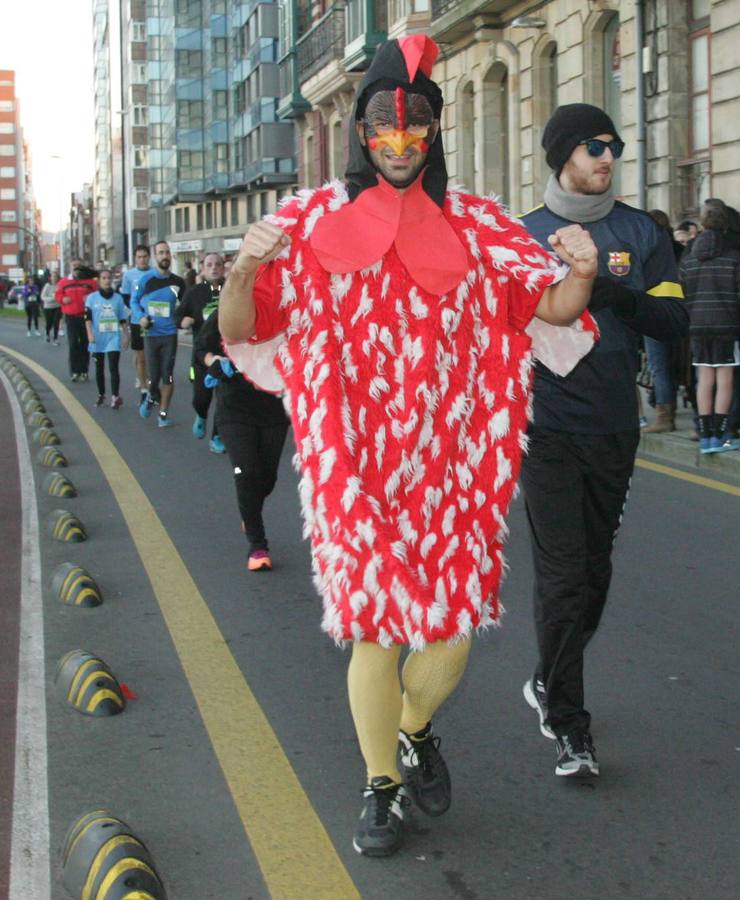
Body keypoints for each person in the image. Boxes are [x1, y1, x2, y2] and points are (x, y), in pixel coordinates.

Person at [218, 34, 599, 857]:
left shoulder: (479, 226)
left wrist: (581, 270)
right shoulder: (309, 222)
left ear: (431, 136)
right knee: (373, 629)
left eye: (414, 131)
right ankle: (378, 788)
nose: (398, 145)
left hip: (455, 469)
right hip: (352, 463)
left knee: (451, 632)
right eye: (384, 131)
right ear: (361, 134)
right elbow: (243, 332)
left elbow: (554, 312)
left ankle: (414, 728)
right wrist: (243, 272)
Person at [519, 103, 689, 777]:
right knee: (562, 577)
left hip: (615, 423)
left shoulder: (640, 230)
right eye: (593, 147)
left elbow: (674, 320)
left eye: (613, 146)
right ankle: (569, 726)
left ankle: (547, 676)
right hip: (545, 425)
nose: (606, 157)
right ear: (563, 154)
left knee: (594, 575)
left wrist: (615, 293)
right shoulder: (522, 234)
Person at [195, 307, 288, 569]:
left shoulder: (285, 308)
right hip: (233, 406)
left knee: (267, 478)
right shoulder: (227, 309)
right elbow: (201, 349)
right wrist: (214, 361)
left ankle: (250, 511)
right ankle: (258, 546)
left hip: (274, 407)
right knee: (245, 471)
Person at [680, 205, 740, 453]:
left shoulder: (689, 260)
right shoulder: (735, 258)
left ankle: (704, 434)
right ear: (725, 226)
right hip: (726, 325)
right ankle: (721, 434)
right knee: (725, 379)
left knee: (704, 379)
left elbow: (683, 294)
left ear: (701, 226)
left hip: (697, 325)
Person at [130, 241, 185, 427]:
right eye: (161, 253)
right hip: (151, 333)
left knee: (168, 375)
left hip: (170, 334)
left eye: (167, 252)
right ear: (155, 257)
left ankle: (162, 414)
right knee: (154, 377)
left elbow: (186, 306)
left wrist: (185, 319)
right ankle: (151, 396)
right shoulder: (145, 280)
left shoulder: (178, 282)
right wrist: (141, 317)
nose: (165, 256)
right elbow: (134, 302)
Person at [176, 250, 226, 452]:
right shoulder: (194, 293)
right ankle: (201, 415)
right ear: (203, 269)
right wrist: (182, 321)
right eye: (209, 264)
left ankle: (217, 437)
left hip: (226, 355)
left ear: (223, 268)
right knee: (201, 398)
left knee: (224, 400)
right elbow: (178, 315)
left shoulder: (231, 291)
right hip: (202, 355)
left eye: (217, 264)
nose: (214, 267)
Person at [641, 209, 682, 432]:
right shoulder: (679, 248)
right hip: (678, 311)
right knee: (673, 365)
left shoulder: (650, 248)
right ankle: (669, 409)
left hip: (655, 311)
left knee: (659, 366)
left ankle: (664, 416)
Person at [84, 267, 128, 408]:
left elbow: (122, 319)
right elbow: (88, 319)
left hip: (113, 337)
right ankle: (101, 394)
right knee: (99, 367)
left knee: (113, 367)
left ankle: (115, 396)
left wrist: (126, 336)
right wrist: (90, 334)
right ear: (99, 280)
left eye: (109, 278)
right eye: (104, 278)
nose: (107, 280)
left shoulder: (118, 299)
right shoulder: (92, 298)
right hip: (98, 337)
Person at [120, 245, 153, 402]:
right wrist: (135, 310)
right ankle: (144, 387)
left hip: (153, 319)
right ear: (135, 258)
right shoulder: (129, 275)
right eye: (139, 257)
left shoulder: (155, 273)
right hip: (136, 320)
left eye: (145, 256)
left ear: (149, 257)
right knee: (140, 356)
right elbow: (125, 296)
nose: (142, 259)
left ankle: (146, 379)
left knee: (150, 355)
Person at [55, 264, 99, 381]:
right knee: (73, 343)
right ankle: (74, 371)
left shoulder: (90, 282)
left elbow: (97, 295)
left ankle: (84, 371)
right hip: (71, 316)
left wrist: (90, 298)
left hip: (86, 316)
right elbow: (58, 295)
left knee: (85, 343)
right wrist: (63, 299)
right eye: (74, 267)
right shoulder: (64, 282)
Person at [40, 276, 61, 342]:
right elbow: (42, 297)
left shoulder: (59, 285)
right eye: (53, 277)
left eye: (55, 277)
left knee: (56, 322)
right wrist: (52, 299)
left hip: (57, 306)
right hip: (48, 307)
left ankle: (55, 338)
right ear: (50, 278)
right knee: (49, 322)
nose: (54, 279)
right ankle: (47, 334)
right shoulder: (47, 286)